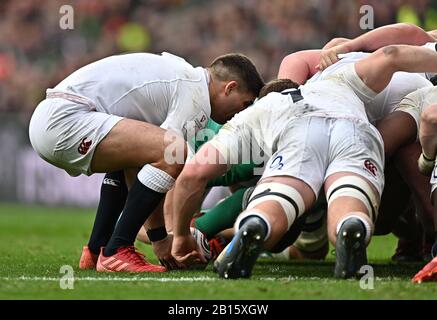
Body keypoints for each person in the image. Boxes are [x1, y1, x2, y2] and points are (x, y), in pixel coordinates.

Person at [170, 44, 437, 279]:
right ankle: (350, 223)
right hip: (352, 123)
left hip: (293, 127)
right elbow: (392, 56)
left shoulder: (269, 105)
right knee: (349, 194)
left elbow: (194, 173)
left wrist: (180, 235)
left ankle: (257, 222)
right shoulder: (401, 82)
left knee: (275, 199)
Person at [28, 51, 264, 272]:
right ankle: (117, 249)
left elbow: (142, 162)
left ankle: (96, 248)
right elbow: (168, 159)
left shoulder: (184, 76)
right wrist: (162, 239)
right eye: (244, 104)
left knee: (139, 157)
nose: (239, 115)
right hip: (66, 119)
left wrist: (160, 236)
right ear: (230, 88)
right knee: (173, 150)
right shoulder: (196, 97)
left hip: (53, 116)